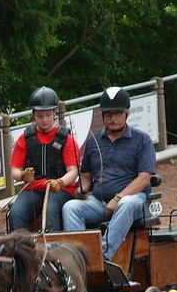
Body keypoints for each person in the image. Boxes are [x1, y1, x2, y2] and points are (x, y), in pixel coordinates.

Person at [61, 87, 156, 261]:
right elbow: (87, 175)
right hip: (99, 202)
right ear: (103, 116)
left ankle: (102, 255)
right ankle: (79, 258)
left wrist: (118, 198)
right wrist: (83, 189)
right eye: (108, 114)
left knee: (126, 204)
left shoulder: (142, 140)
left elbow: (144, 178)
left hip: (134, 201)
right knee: (71, 207)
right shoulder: (94, 141)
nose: (112, 118)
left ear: (126, 114)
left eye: (117, 113)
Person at [7, 86, 79, 232]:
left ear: (54, 113)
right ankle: (20, 251)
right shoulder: (25, 139)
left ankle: (53, 249)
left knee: (50, 209)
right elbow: (14, 170)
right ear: (34, 115)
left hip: (60, 190)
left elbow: (73, 171)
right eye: (40, 116)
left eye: (47, 115)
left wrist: (60, 182)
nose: (44, 120)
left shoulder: (66, 139)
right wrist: (22, 175)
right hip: (33, 189)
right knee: (15, 212)